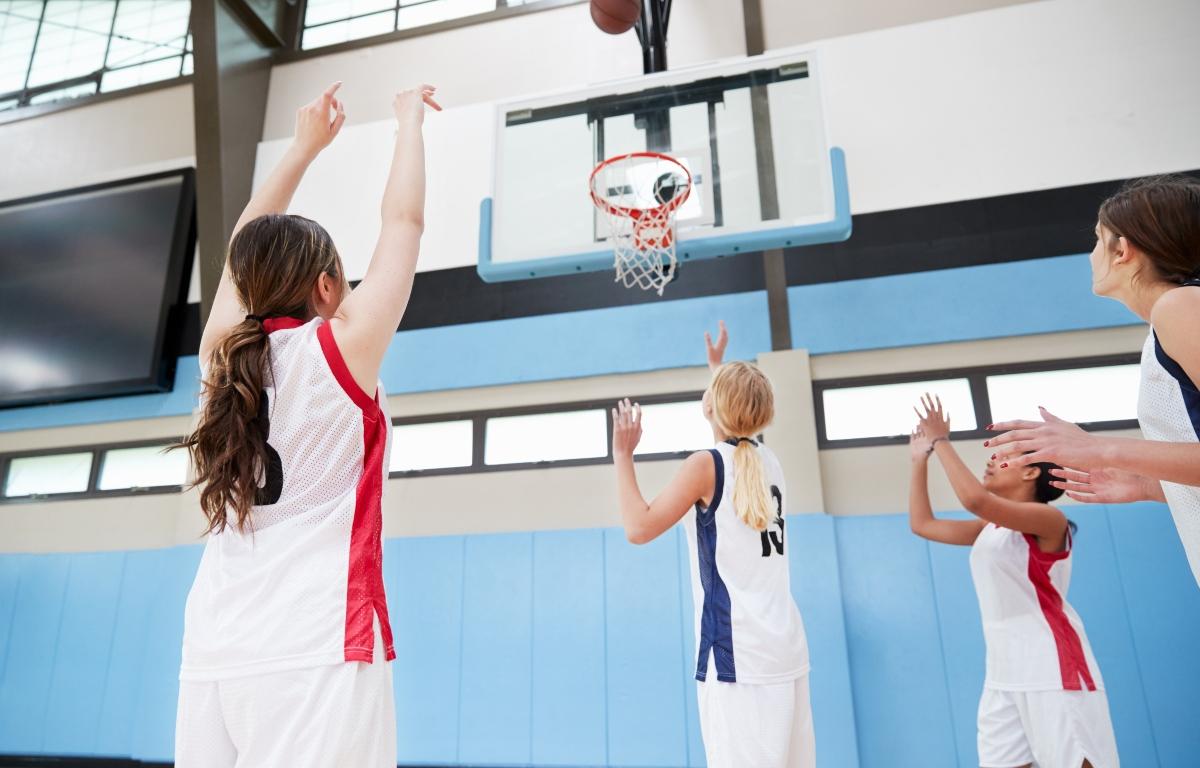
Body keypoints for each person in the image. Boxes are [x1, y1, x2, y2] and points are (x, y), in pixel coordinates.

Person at [173, 82, 441, 766]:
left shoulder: (219, 360)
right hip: (319, 642)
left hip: (215, 647)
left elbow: (242, 252)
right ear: (326, 288)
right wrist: (407, 118)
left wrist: (301, 150)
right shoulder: (340, 351)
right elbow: (404, 224)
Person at [610, 321, 814, 768]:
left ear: (711, 405)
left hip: (737, 659)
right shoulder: (769, 461)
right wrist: (718, 368)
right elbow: (737, 424)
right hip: (786, 651)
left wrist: (623, 456)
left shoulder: (706, 466)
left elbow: (638, 528)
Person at [988, 176, 1200, 586]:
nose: (1090, 255)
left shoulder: (1180, 305)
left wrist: (1099, 447)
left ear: (1122, 250)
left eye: (1097, 240)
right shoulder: (1170, 318)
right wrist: (1153, 485)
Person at [910, 394, 1118, 768]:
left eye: (1000, 457)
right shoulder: (990, 529)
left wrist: (942, 440)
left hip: (1052, 669)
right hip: (1003, 673)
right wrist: (917, 461)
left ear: (1031, 472)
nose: (990, 461)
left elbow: (974, 499)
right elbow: (922, 524)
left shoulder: (1049, 522)